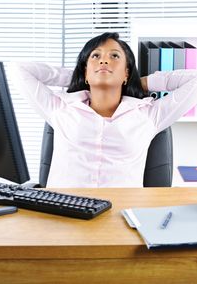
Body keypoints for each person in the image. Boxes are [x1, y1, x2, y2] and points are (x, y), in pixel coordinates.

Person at [11, 32, 197, 188]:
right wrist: (78, 77)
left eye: (114, 56)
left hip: (121, 217)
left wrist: (144, 82)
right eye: (95, 56)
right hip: (64, 213)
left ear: (126, 73)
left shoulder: (149, 115)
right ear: (85, 70)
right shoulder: (60, 109)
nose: (104, 61)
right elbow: (18, 69)